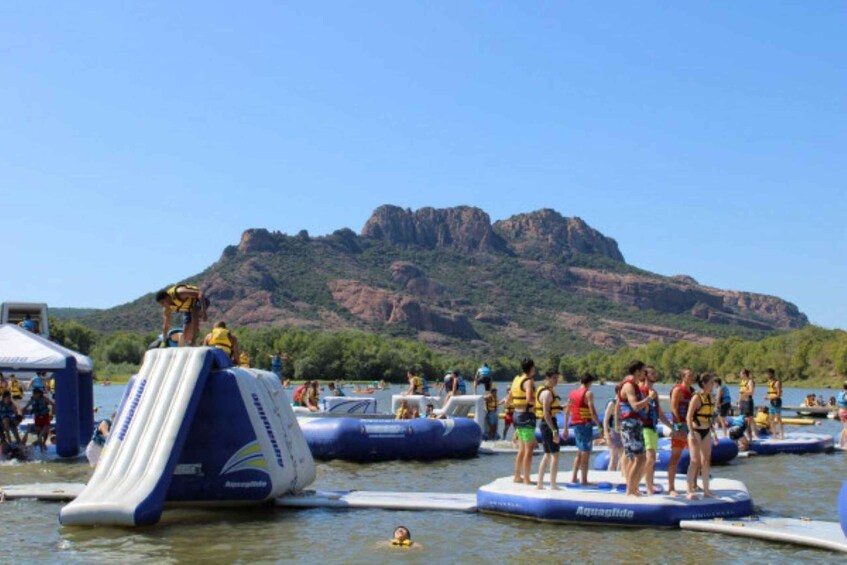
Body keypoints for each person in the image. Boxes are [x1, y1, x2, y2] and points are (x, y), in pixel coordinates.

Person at [618, 361, 655, 497]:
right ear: (637, 372)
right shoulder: (628, 386)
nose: (645, 375)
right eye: (644, 372)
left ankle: (633, 488)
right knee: (639, 458)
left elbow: (641, 406)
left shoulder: (635, 387)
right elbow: (634, 406)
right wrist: (649, 398)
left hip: (636, 424)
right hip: (629, 424)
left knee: (639, 459)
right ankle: (630, 490)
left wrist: (647, 403)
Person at [640, 367, 673, 496]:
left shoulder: (654, 392)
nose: (655, 375)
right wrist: (648, 398)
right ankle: (648, 488)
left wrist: (671, 426)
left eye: (655, 373)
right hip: (644, 428)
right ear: (646, 375)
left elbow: (659, 413)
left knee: (651, 459)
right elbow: (640, 410)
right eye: (652, 373)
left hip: (653, 428)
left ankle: (650, 483)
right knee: (650, 457)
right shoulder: (641, 390)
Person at [686, 373, 718, 500]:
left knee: (706, 461)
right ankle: (689, 491)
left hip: (707, 430)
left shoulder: (711, 397)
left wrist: (714, 433)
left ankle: (706, 491)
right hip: (696, 431)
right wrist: (691, 432)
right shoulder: (696, 398)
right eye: (711, 383)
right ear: (704, 384)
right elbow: (688, 416)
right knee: (695, 461)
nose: (713, 385)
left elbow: (711, 418)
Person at [565, 373, 600, 485]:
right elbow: (592, 411)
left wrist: (566, 426)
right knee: (586, 452)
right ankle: (584, 480)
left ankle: (574, 477)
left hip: (575, 424)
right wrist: (599, 426)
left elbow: (568, 411)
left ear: (580, 381)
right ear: (590, 383)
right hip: (585, 424)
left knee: (580, 451)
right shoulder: (588, 393)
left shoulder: (572, 393)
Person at [667, 368, 696, 497]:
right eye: (689, 375)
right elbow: (673, 408)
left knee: (696, 457)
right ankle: (671, 488)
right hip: (679, 426)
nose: (692, 377)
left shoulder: (692, 391)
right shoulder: (678, 390)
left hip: (690, 426)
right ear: (683, 377)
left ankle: (694, 483)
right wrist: (678, 427)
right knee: (675, 457)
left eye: (692, 375)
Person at [535, 369, 564, 489]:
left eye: (557, 378)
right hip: (548, 424)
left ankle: (540, 484)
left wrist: (564, 406)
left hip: (545, 424)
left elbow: (550, 409)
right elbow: (546, 414)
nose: (556, 381)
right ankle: (553, 484)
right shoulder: (547, 393)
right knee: (555, 454)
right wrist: (554, 431)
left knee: (547, 454)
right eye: (554, 378)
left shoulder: (543, 390)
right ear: (547, 378)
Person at [511, 358, 537, 484]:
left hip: (516, 415)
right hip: (526, 416)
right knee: (529, 449)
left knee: (521, 449)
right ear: (531, 368)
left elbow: (509, 398)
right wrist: (539, 404)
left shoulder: (516, 379)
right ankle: (526, 478)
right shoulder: (528, 381)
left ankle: (517, 476)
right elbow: (528, 399)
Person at [602, 388, 623, 472]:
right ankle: (609, 478)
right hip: (613, 432)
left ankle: (619, 476)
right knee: (613, 458)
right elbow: (605, 420)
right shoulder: (612, 403)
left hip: (622, 432)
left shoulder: (623, 403)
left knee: (622, 457)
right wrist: (606, 435)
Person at [764, 368, 784, 440]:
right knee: (771, 419)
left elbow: (779, 394)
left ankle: (782, 435)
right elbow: (770, 392)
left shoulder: (777, 382)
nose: (767, 375)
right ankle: (774, 435)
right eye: (767, 374)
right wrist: (767, 396)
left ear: (772, 374)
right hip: (771, 402)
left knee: (778, 419)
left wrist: (769, 398)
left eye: (768, 374)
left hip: (777, 402)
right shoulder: (769, 382)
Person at [738, 368, 756, 442]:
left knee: (748, 421)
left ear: (745, 374)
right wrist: (739, 402)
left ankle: (750, 439)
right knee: (742, 420)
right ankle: (743, 438)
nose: (740, 375)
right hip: (742, 402)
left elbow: (751, 392)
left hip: (748, 402)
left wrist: (743, 392)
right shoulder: (742, 382)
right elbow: (740, 394)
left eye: (741, 374)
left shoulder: (750, 381)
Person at [836, 382, 847, 448]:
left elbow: (838, 402)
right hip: (845, 412)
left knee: (845, 428)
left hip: (841, 411)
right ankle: (846, 444)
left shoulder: (841, 393)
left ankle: (840, 443)